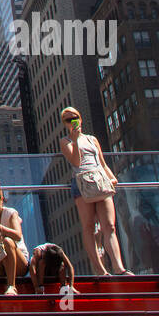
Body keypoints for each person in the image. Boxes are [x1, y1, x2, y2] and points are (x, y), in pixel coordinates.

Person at [59, 106, 132, 277]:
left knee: (109, 225)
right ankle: (99, 269)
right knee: (88, 226)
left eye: (74, 117)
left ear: (80, 118)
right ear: (65, 123)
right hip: (81, 182)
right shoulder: (65, 141)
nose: (72, 121)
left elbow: (102, 162)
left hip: (100, 180)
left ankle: (118, 267)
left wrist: (112, 178)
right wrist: (75, 139)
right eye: (68, 120)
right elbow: (76, 162)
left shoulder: (92, 139)